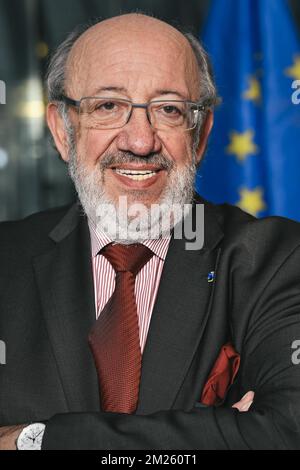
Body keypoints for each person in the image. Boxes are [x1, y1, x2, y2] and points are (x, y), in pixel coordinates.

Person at [0, 13, 300, 450]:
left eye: (169, 110)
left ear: (199, 136)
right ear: (64, 130)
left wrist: (37, 441)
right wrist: (217, 431)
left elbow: (288, 434)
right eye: (107, 106)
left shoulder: (278, 259)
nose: (140, 142)